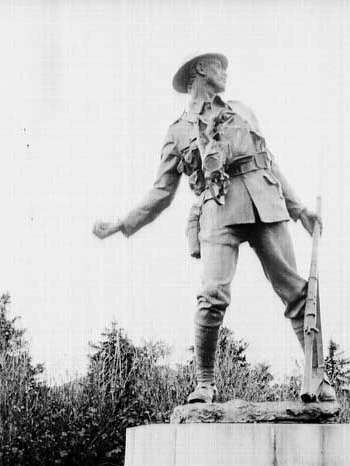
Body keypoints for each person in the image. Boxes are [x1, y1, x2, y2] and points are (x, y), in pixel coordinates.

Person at [93, 52, 336, 404]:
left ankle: (318, 377)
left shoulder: (242, 110)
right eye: (219, 66)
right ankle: (204, 383)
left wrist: (299, 210)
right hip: (217, 210)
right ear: (200, 70)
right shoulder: (177, 132)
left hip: (265, 203)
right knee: (212, 295)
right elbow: (161, 192)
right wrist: (121, 224)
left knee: (297, 293)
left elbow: (267, 160)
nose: (226, 71)